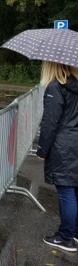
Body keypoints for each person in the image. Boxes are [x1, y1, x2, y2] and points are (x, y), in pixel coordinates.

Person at [37, 61, 78, 252]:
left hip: (64, 145)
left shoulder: (55, 86)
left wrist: (42, 150)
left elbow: (50, 122)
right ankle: (75, 231)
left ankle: (65, 237)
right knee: (75, 189)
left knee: (66, 190)